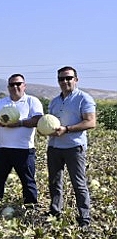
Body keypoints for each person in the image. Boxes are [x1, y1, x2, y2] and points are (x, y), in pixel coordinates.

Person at [45, 66, 96, 226]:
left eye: (69, 78)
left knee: (79, 183)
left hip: (74, 147)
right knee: (54, 182)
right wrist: (44, 130)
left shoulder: (84, 98)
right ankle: (55, 213)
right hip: (54, 147)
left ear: (76, 79)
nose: (65, 81)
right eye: (61, 79)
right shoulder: (54, 101)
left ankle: (84, 218)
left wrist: (66, 130)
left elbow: (90, 122)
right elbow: (49, 123)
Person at [0, 74, 43, 208]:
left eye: (18, 84)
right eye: (12, 84)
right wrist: (2, 122)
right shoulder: (1, 103)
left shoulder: (32, 101)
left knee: (28, 180)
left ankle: (30, 207)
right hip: (3, 149)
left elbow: (37, 120)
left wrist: (19, 123)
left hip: (24, 149)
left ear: (24, 85)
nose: (15, 87)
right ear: (8, 87)